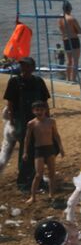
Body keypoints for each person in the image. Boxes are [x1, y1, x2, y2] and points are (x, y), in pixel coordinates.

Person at [4, 56, 50, 191]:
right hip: (22, 121)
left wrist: (47, 118)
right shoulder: (14, 82)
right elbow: (10, 103)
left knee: (39, 148)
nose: (24, 68)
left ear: (33, 68)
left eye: (27, 66)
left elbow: (45, 102)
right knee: (25, 150)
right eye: (22, 65)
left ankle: (38, 179)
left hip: (38, 120)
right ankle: (23, 181)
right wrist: (12, 121)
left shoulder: (38, 81)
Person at [24, 100, 63, 203]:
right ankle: (33, 197)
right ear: (33, 111)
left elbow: (56, 135)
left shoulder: (51, 121)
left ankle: (51, 194)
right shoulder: (31, 123)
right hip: (39, 150)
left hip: (50, 149)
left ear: (45, 110)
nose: (39, 112)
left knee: (52, 173)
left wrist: (61, 148)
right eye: (37, 110)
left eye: (41, 109)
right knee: (38, 174)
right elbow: (27, 138)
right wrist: (25, 152)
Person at [57, 1, 81, 82]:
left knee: (68, 61)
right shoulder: (72, 18)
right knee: (75, 60)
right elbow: (80, 30)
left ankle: (68, 78)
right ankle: (73, 79)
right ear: (70, 8)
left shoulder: (60, 20)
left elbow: (61, 30)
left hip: (65, 40)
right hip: (74, 39)